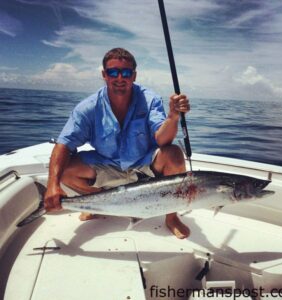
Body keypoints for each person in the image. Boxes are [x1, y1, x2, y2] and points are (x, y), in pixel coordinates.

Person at [44, 47, 191, 239]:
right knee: (63, 170)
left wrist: (173, 117)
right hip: (107, 163)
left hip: (143, 163)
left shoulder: (150, 99)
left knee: (173, 153)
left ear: (134, 75)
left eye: (126, 72)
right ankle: (98, 204)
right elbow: (63, 144)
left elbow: (162, 140)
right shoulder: (88, 107)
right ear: (104, 75)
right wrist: (51, 186)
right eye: (113, 72)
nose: (119, 77)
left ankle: (171, 217)